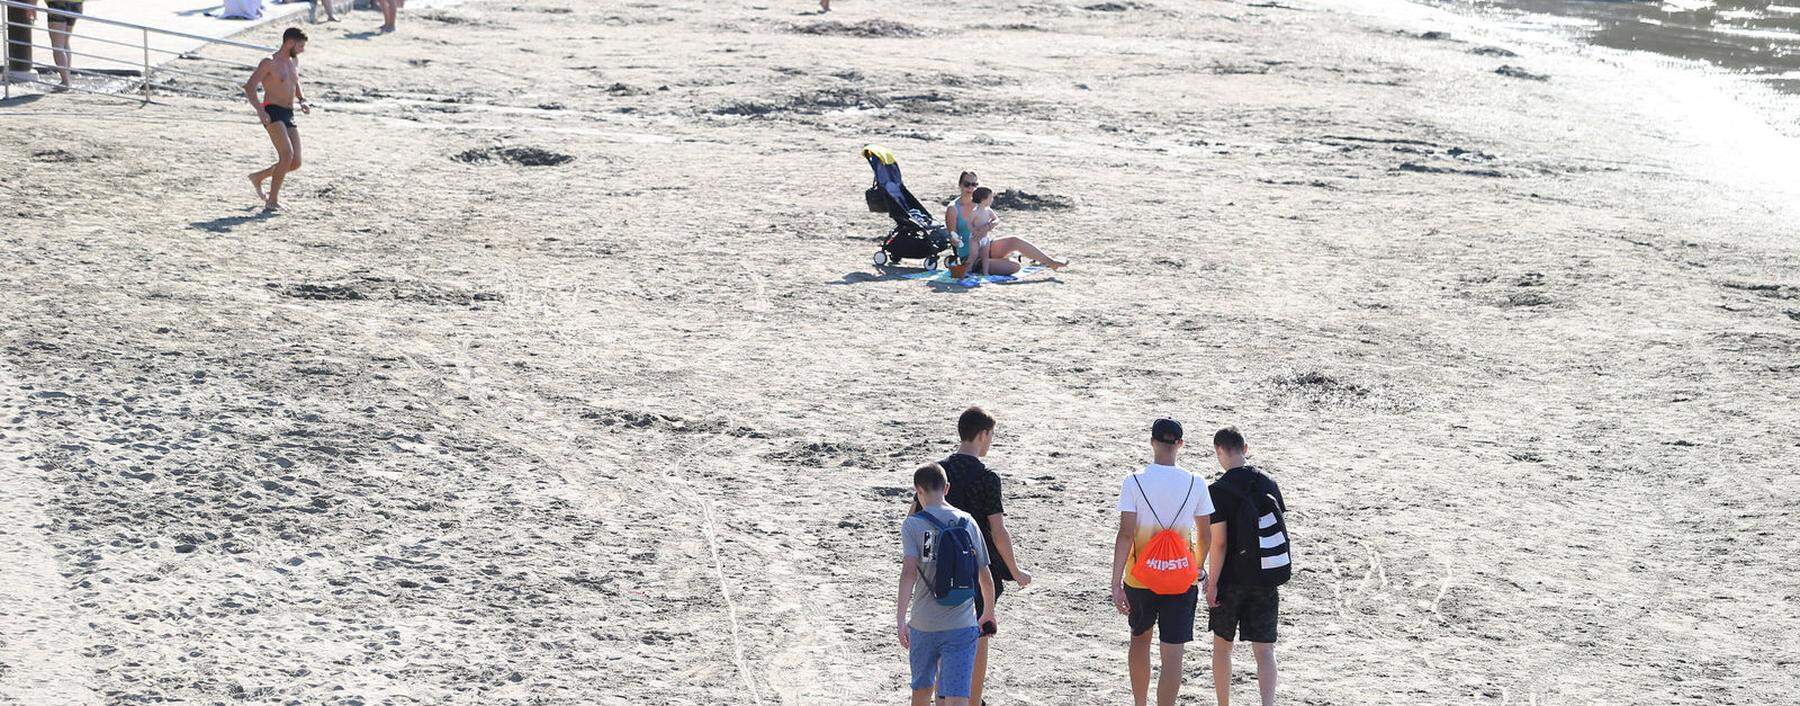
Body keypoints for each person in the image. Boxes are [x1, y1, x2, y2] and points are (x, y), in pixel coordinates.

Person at [1110, 418, 1215, 706]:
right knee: (1173, 655)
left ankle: (1140, 703)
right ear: (1180, 444)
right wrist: (1198, 566)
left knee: (1140, 641)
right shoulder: (1196, 482)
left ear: (1153, 441)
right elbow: (1205, 534)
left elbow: (1125, 534)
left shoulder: (1134, 482)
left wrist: (1115, 583)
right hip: (1181, 579)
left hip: (1140, 577)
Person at [937, 406, 1030, 705]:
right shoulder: (987, 478)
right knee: (978, 635)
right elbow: (998, 531)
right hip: (977, 570)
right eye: (991, 435)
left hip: (938, 569)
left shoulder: (937, 472)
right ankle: (973, 701)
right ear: (982, 435)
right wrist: (1016, 571)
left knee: (944, 638)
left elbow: (914, 517)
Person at [897, 463, 997, 706]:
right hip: (962, 625)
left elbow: (909, 572)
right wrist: (988, 612)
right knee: (957, 696)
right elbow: (985, 574)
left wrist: (901, 618)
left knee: (921, 692)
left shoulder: (913, 525)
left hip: (924, 624)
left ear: (918, 490)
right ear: (947, 488)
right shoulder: (968, 522)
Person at [1206, 426, 1289, 706]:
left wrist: (1212, 583)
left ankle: (1224, 704)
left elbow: (1219, 544)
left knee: (1222, 648)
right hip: (1265, 577)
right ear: (1246, 447)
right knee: (1265, 651)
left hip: (1230, 582)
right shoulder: (1268, 482)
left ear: (1220, 450)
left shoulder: (1216, 491)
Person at [242, 28, 310, 211]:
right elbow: (249, 87)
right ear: (290, 43)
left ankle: (258, 177)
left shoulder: (293, 61)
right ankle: (272, 201)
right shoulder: (269, 63)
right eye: (300, 45)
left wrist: (302, 100)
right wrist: (260, 110)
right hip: (272, 111)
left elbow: (295, 82)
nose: (302, 49)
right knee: (286, 155)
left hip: (289, 112)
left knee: (295, 162)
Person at [967, 186, 1068, 274]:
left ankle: (1051, 262)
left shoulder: (986, 209)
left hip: (986, 243)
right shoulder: (954, 208)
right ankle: (974, 267)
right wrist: (975, 232)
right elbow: (955, 235)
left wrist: (989, 226)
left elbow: (996, 219)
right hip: (971, 251)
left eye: (975, 184)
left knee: (1014, 240)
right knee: (1015, 266)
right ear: (960, 185)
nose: (971, 187)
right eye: (967, 184)